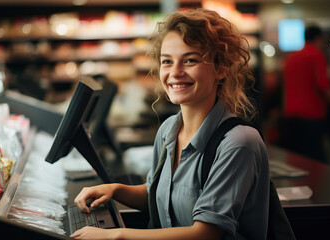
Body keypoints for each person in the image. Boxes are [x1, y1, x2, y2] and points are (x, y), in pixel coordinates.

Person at [71, 8, 269, 240]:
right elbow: (161, 195)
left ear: (220, 69)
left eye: (190, 60)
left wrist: (116, 236)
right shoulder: (169, 130)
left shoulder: (239, 143)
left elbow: (205, 233)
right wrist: (115, 190)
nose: (175, 72)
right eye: (167, 61)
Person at [281, 25, 330, 163]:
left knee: (296, 159)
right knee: (315, 160)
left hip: (291, 114)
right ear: (319, 38)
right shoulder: (317, 55)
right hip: (312, 115)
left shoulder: (291, 58)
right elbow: (323, 85)